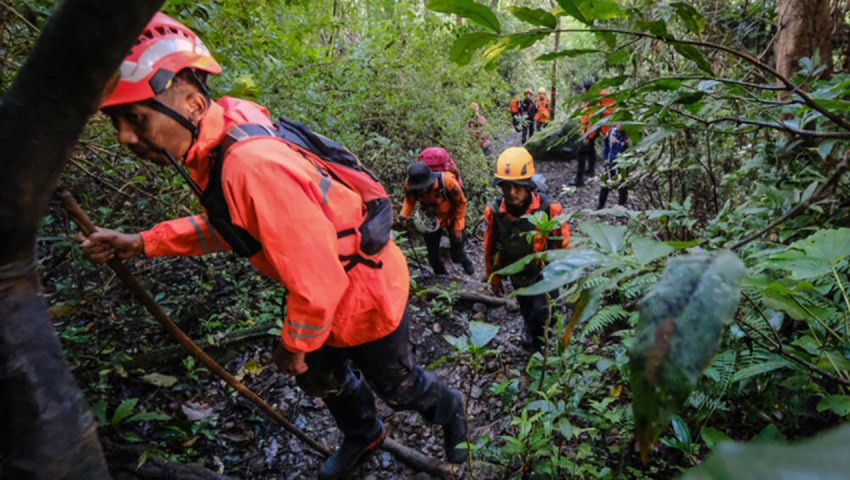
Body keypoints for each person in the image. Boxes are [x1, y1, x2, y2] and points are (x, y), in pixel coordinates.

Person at [75, 13, 466, 479]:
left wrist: (292, 348)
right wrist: (142, 243)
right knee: (322, 379)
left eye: (135, 117)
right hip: (319, 295)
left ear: (193, 103)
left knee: (398, 386)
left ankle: (451, 410)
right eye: (117, 121)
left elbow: (318, 283)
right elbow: (236, 229)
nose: (124, 136)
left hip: (363, 294)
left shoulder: (249, 165)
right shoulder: (220, 142)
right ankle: (364, 434)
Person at [483, 147, 571, 351]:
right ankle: (529, 330)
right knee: (525, 306)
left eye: (518, 187)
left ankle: (542, 347)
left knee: (544, 312)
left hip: (545, 274)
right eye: (506, 187)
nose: (512, 193)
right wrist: (493, 277)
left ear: (529, 185)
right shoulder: (495, 212)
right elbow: (489, 245)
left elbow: (565, 242)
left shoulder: (550, 208)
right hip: (517, 272)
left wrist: (571, 271)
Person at [399, 160, 475, 276]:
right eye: (418, 188)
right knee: (433, 256)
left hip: (452, 217)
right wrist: (404, 215)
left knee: (457, 255)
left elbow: (461, 203)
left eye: (423, 186)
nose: (421, 190)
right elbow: (409, 200)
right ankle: (443, 278)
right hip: (430, 220)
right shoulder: (410, 184)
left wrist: (458, 227)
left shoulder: (448, 182)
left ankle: (465, 262)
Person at [571, 80, 615, 187]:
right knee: (590, 149)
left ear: (587, 89)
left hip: (595, 130)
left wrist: (587, 136)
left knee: (581, 153)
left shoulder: (593, 102)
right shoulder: (597, 97)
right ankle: (590, 170)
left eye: (582, 88)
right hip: (603, 128)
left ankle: (579, 180)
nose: (581, 90)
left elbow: (590, 120)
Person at [597, 125, 630, 209]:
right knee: (605, 184)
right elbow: (606, 145)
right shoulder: (611, 132)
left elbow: (631, 149)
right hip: (610, 162)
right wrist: (605, 158)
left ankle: (621, 206)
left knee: (622, 185)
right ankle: (600, 206)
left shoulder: (628, 135)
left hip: (622, 163)